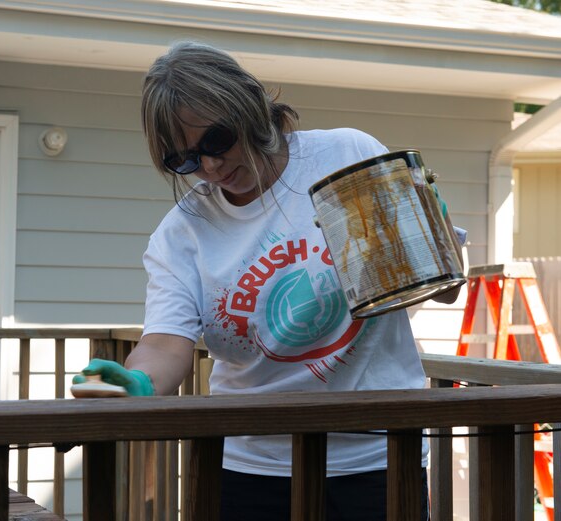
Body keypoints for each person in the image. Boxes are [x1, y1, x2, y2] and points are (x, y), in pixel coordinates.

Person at [73, 40, 463, 521]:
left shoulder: (345, 154)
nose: (211, 167)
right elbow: (165, 345)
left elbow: (444, 289)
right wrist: (137, 382)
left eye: (216, 142)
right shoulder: (182, 231)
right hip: (253, 466)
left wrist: (432, 235)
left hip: (377, 454)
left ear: (249, 107)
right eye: (185, 160)